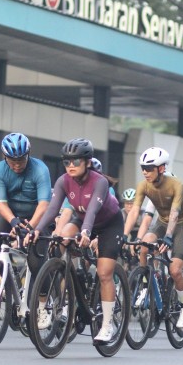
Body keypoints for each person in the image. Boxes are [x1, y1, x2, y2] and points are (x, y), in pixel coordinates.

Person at [32, 138, 124, 343]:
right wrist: (37, 229)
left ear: (88, 163)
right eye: (67, 162)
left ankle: (107, 325)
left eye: (76, 162)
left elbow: (92, 210)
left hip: (109, 224)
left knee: (104, 273)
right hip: (81, 219)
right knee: (58, 241)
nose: (71, 166)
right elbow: (53, 209)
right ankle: (70, 289)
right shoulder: (63, 180)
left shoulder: (99, 181)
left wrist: (85, 233)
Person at [123, 147, 183, 329]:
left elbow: (175, 213)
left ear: (161, 168)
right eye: (143, 168)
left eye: (149, 168)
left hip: (181, 224)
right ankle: (146, 285)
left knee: (176, 271)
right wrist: (124, 235)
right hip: (161, 222)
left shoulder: (177, 184)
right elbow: (136, 212)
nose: (145, 172)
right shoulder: (143, 186)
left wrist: (169, 237)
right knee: (145, 245)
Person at [0, 133, 52, 325]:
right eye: (12, 160)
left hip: (38, 218)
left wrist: (31, 227)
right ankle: (6, 278)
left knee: (36, 262)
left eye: (21, 160)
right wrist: (14, 222)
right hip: (12, 216)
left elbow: (44, 205)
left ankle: (43, 307)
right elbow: (0, 203)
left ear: (28, 155)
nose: (17, 164)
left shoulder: (40, 169)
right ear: (4, 157)